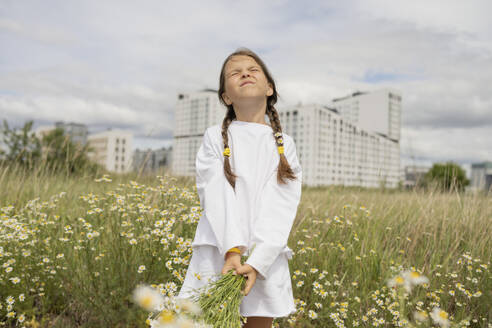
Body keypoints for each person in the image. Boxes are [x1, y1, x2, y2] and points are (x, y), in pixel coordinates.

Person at [177, 47, 302, 328]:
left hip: (263, 254)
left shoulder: (285, 144)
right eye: (235, 72)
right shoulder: (214, 137)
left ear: (269, 88)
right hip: (219, 248)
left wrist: (258, 261)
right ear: (226, 96)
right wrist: (232, 251)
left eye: (253, 69)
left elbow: (282, 202)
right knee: (206, 319)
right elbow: (216, 192)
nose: (245, 73)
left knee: (258, 322)